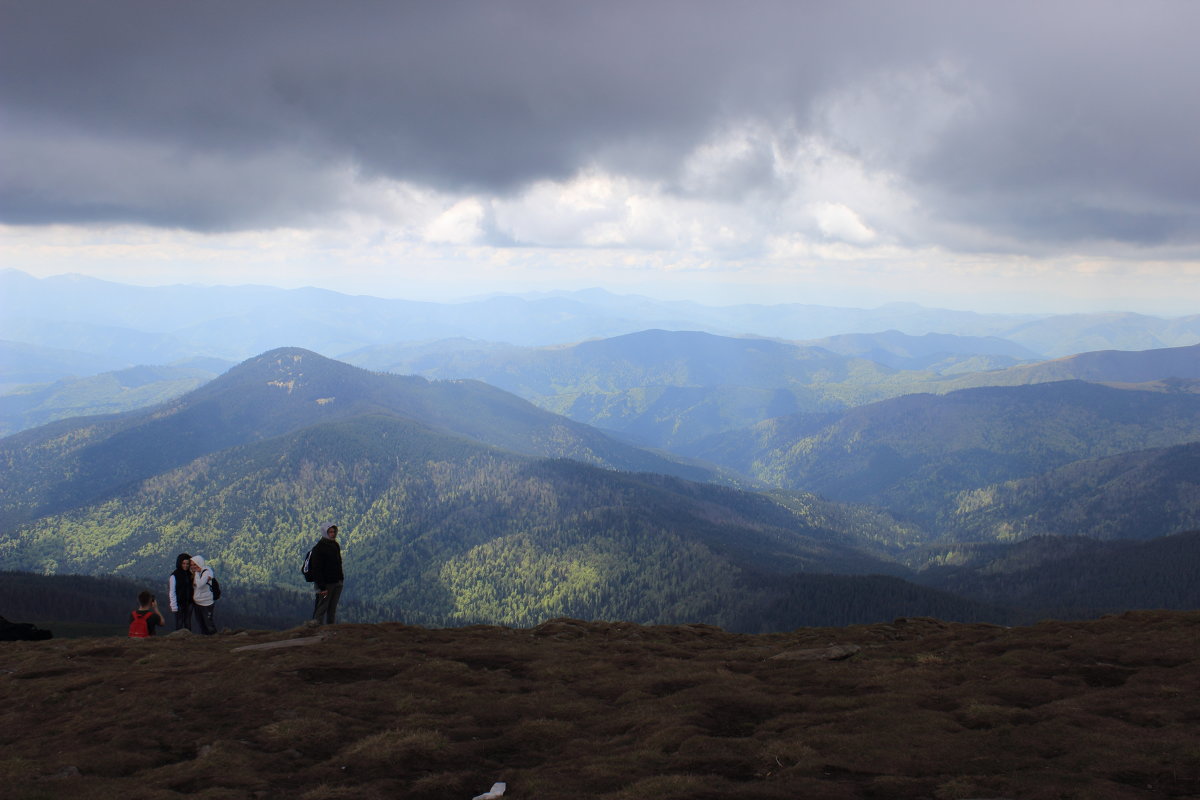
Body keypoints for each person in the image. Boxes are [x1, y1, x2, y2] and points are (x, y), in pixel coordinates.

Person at [309, 523, 344, 625]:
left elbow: (338, 563)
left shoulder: (335, 545)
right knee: (322, 607)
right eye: (330, 532)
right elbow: (317, 569)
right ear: (325, 533)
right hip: (326, 585)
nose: (333, 534)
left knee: (332, 608)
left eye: (334, 532)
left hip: (337, 582)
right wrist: (322, 587)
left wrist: (341, 578)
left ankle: (330, 629)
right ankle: (315, 628)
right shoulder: (319, 548)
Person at [190, 555, 218, 635]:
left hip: (206, 602)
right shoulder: (198, 572)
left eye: (195, 564)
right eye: (191, 565)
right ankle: (206, 641)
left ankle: (214, 639)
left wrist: (196, 573)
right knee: (201, 624)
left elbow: (200, 584)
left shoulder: (206, 572)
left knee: (208, 623)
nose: (193, 566)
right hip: (198, 602)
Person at [168, 553, 194, 631]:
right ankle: (178, 641)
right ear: (179, 563)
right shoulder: (174, 576)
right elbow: (172, 591)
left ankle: (188, 640)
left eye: (187, 564)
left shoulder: (191, 574)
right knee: (179, 623)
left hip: (189, 603)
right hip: (179, 604)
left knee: (188, 623)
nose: (185, 566)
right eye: (183, 563)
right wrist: (174, 606)